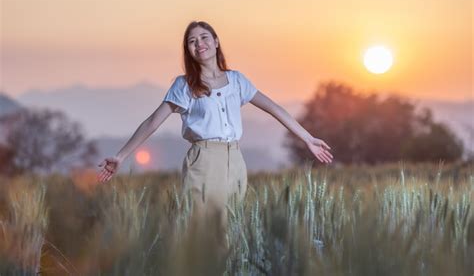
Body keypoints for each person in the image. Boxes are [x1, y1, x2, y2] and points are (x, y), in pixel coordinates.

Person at [97, 20, 333, 256]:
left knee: (229, 235)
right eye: (192, 41)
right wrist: (120, 156)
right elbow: (152, 122)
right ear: (188, 50)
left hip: (236, 161)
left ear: (216, 42)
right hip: (203, 161)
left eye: (204, 37)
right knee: (200, 234)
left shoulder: (237, 80)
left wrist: (308, 138)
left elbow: (274, 108)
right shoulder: (185, 85)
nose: (199, 43)